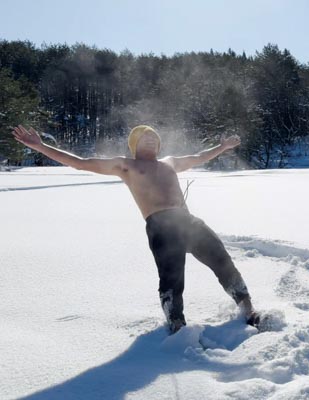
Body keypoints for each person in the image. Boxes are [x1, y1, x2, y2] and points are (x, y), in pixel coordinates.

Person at [12, 124, 260, 334]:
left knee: (221, 260)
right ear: (134, 144)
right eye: (144, 137)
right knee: (172, 278)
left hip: (188, 220)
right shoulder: (126, 166)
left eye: (154, 137)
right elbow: (80, 163)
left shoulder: (170, 163)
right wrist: (40, 146)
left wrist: (223, 147)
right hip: (161, 225)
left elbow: (199, 157)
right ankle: (176, 326)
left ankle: (248, 310)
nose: (151, 140)